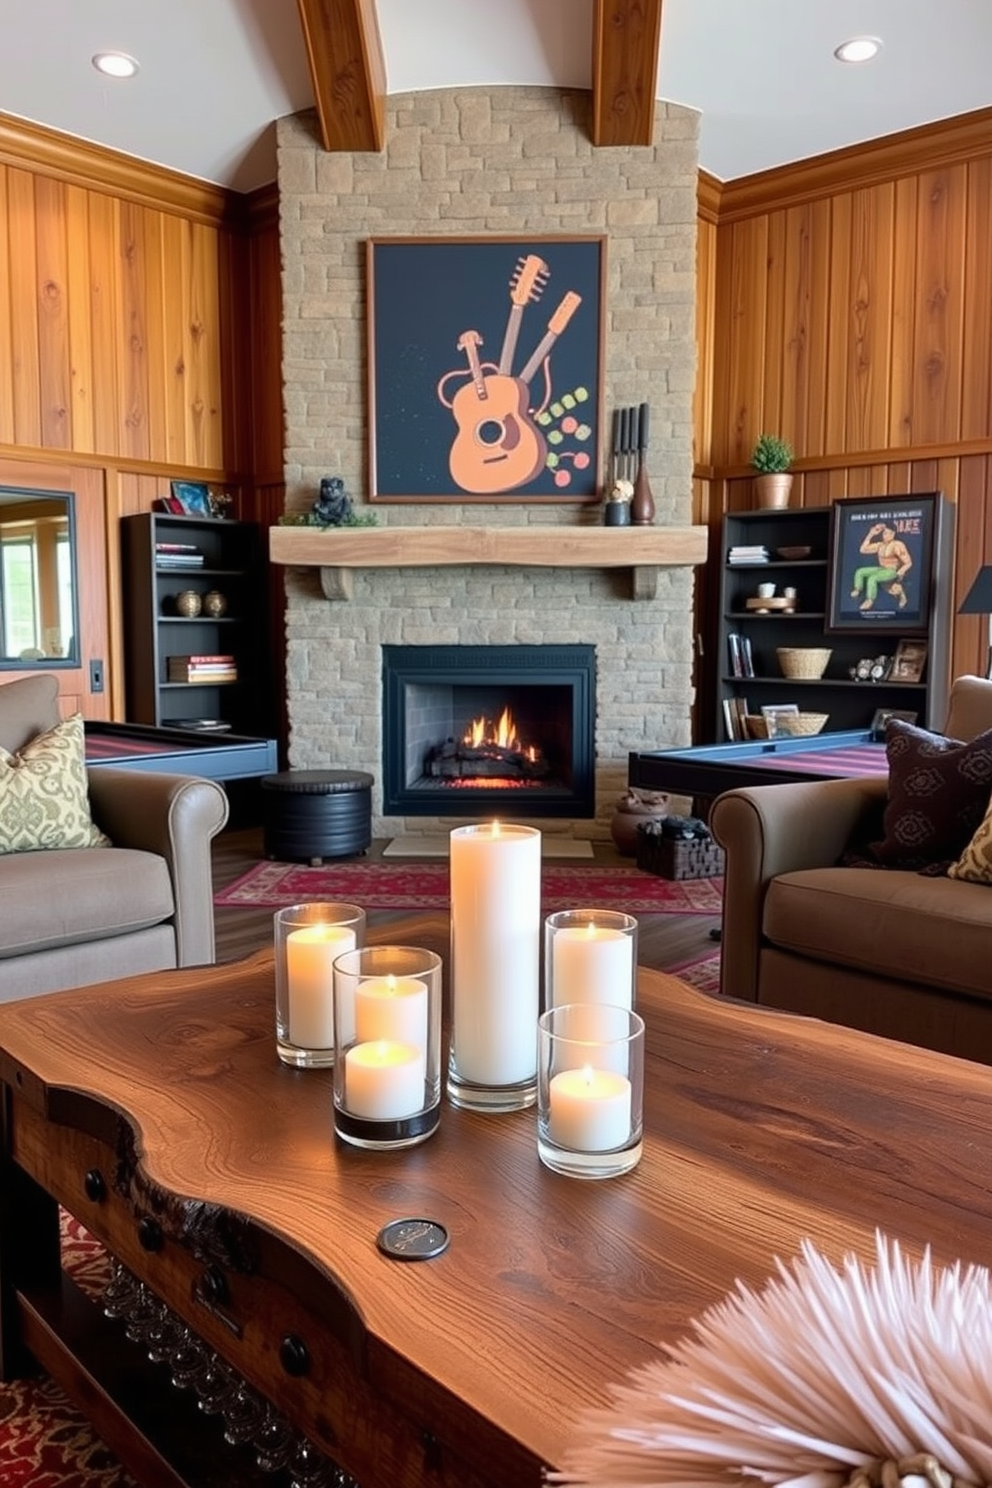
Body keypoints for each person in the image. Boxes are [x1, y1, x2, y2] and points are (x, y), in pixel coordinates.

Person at [850, 522, 912, 610]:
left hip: (892, 571)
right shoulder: (880, 545)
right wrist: (871, 534)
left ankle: (870, 600)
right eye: (884, 533)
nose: (886, 535)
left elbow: (908, 563)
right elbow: (863, 550)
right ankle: (857, 589)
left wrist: (899, 573)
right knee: (860, 571)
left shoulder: (897, 545)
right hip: (881, 569)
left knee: (873, 578)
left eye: (888, 533)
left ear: (893, 534)